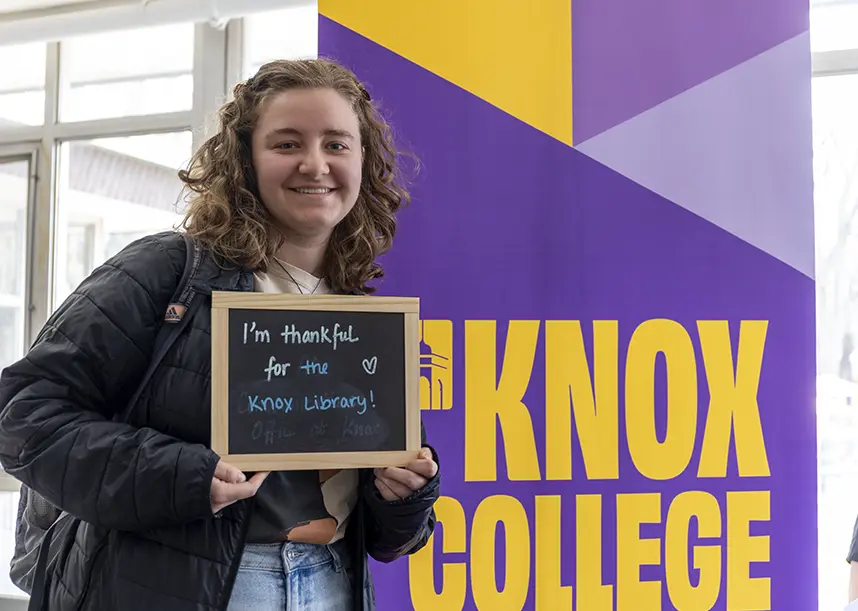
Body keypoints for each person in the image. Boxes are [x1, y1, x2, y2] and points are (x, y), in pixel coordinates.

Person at [0, 58, 440, 611]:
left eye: (336, 144)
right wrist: (185, 476)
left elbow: (390, 533)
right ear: (245, 160)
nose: (315, 163)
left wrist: (407, 496)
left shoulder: (362, 316)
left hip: (331, 584)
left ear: (363, 161)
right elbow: (22, 414)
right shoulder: (167, 270)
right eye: (286, 144)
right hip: (179, 587)